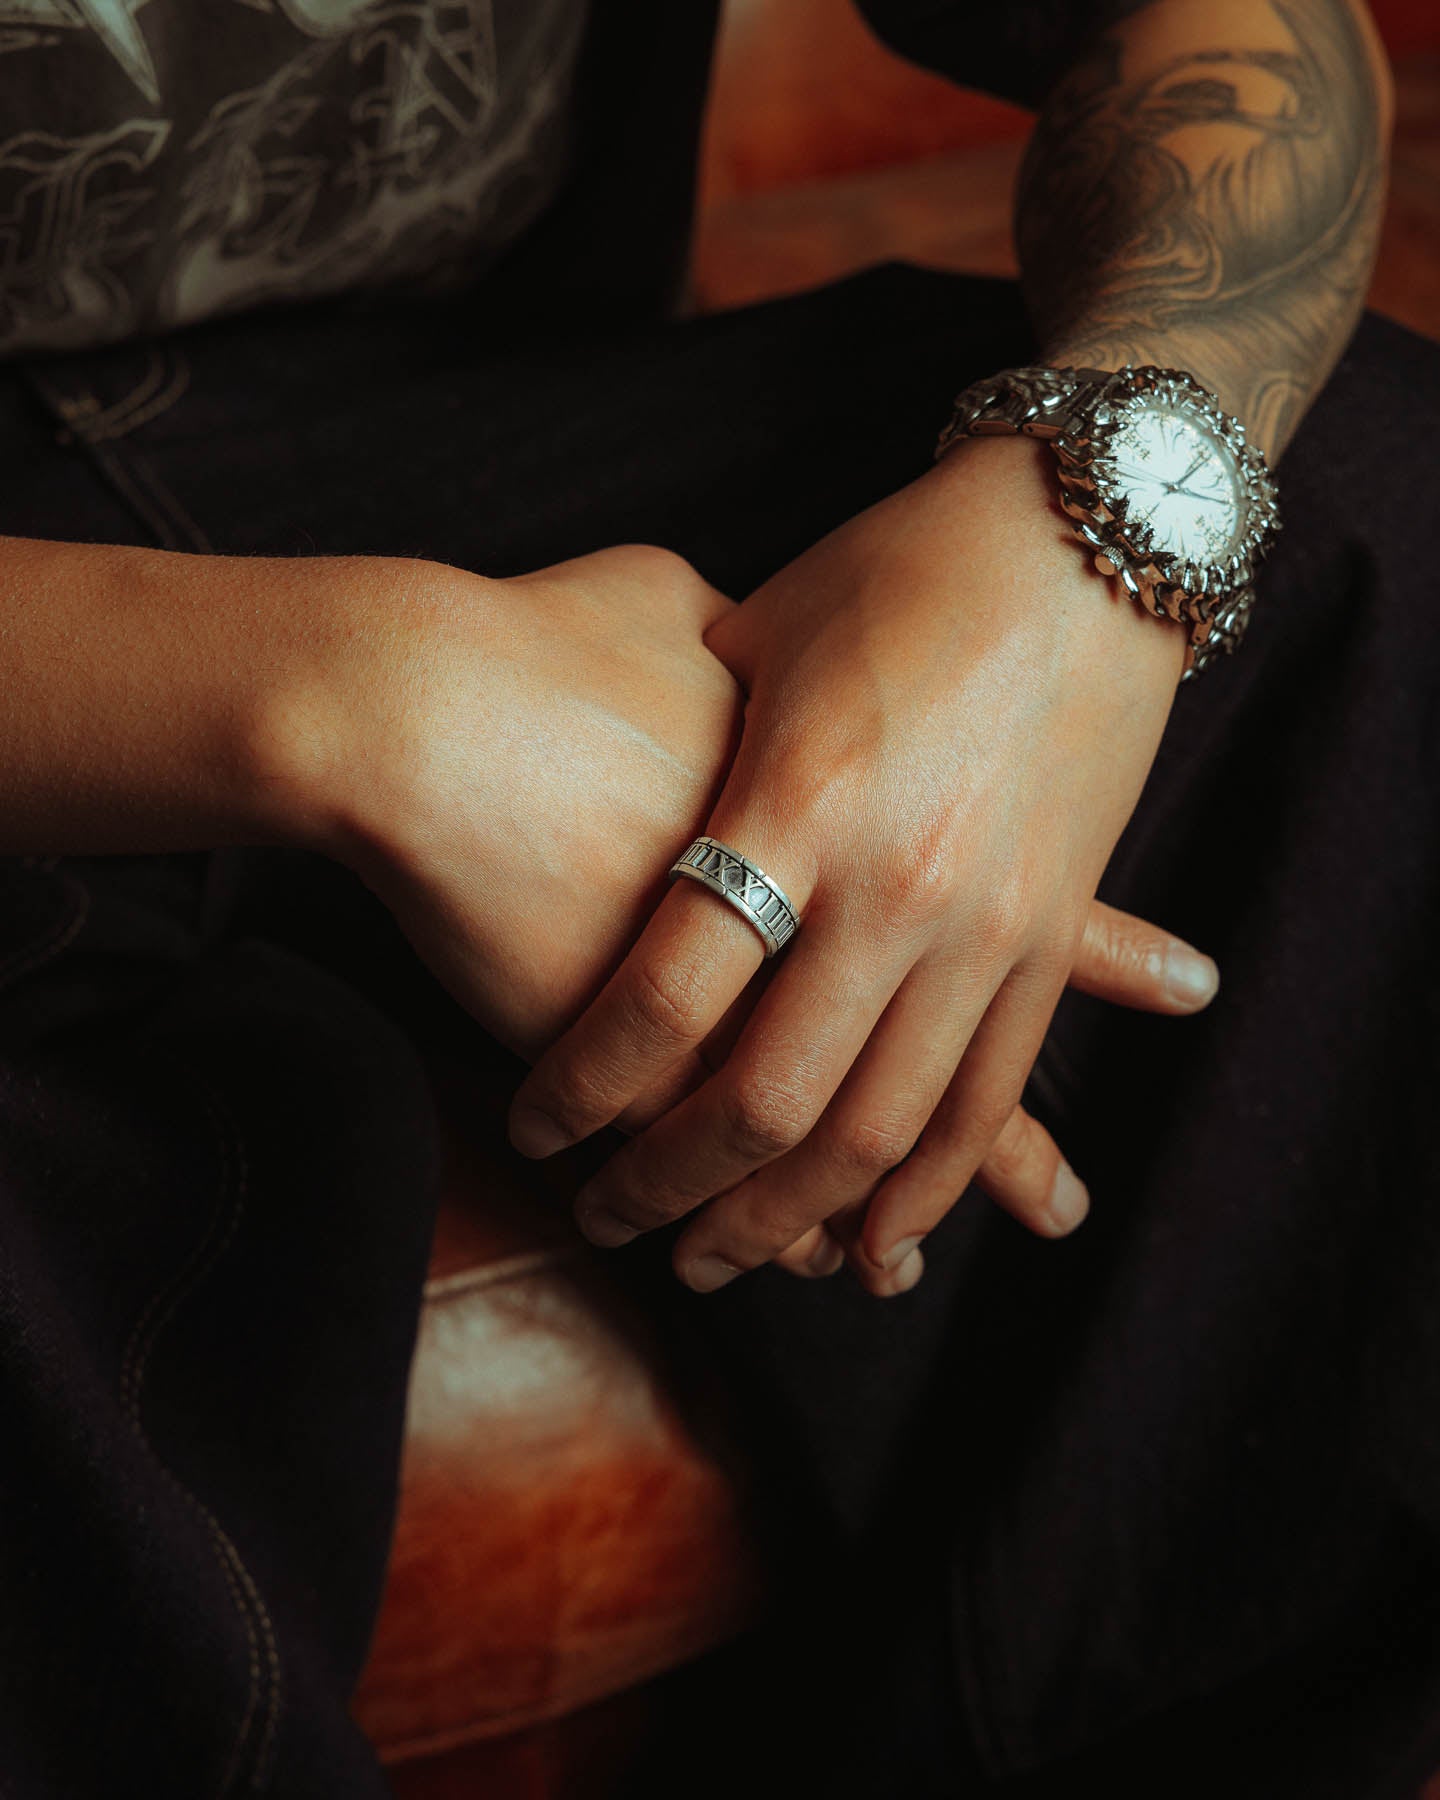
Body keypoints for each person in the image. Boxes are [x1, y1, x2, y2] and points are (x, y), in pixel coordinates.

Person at [0, 0, 1435, 1794]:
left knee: (1388, 551)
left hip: (452, 411)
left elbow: (1237, 27)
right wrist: (370, 697)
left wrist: (1088, 537)